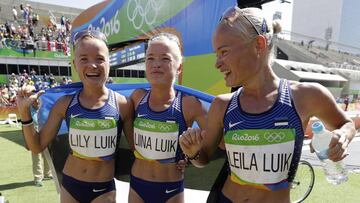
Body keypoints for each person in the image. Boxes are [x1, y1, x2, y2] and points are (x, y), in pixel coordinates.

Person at [179, 6, 356, 203]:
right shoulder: (222, 105)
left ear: (259, 44)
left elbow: (346, 124)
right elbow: (203, 159)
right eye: (216, 54)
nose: (217, 63)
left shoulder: (306, 96)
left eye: (224, 52)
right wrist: (193, 151)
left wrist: (342, 137)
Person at [16, 29, 134, 203]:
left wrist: (183, 157)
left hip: (103, 190)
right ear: (75, 64)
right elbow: (37, 146)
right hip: (71, 186)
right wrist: (24, 113)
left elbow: (139, 151)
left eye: (100, 59)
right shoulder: (65, 104)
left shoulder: (123, 104)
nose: (92, 65)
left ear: (109, 62)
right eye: (84, 59)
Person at [128, 32, 207, 203]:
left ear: (179, 67)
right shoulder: (136, 98)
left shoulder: (190, 104)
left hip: (171, 190)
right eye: (150, 58)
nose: (156, 64)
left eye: (165, 58)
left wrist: (192, 154)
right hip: (137, 187)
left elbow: (216, 146)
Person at [30, 98, 53, 187]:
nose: (37, 102)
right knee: (37, 156)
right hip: (34, 133)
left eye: (39, 101)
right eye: (35, 101)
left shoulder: (44, 109)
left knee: (47, 154)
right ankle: (38, 178)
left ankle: (48, 173)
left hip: (44, 132)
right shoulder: (29, 111)